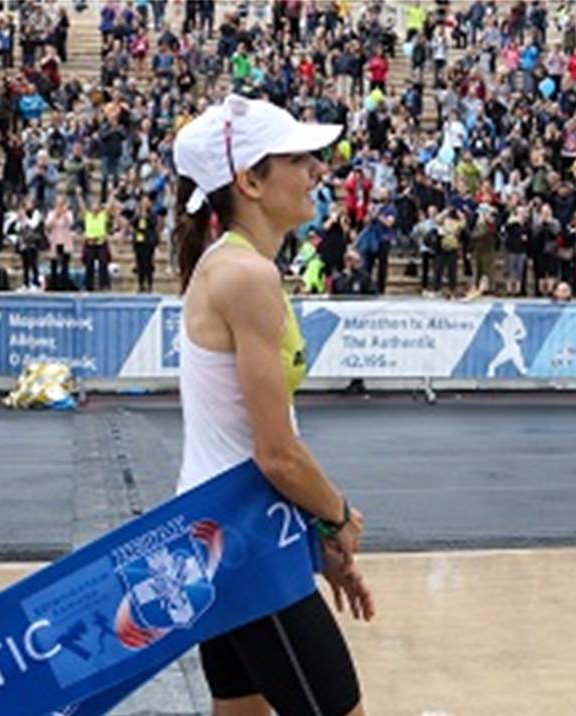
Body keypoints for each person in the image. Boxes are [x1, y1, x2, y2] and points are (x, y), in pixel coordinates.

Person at [172, 94, 371, 716]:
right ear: (250, 181)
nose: (317, 170)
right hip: (246, 542)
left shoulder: (230, 266)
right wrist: (338, 516)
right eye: (298, 159)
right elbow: (276, 454)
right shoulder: (247, 277)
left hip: (221, 533)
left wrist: (315, 538)